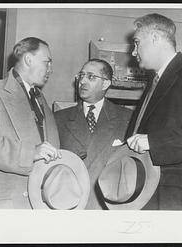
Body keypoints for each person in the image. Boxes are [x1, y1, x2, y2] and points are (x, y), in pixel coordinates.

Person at [126, 13, 182, 210]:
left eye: (136, 43)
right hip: (149, 194)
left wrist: (151, 141)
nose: (134, 52)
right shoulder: (153, 84)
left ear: (155, 38)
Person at [0, 37, 61, 209]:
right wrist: (30, 153)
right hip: (3, 205)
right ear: (29, 59)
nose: (50, 70)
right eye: (47, 62)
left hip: (40, 203)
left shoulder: (40, 99)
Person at [54, 59, 132, 209]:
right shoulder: (59, 118)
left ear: (105, 84)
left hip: (108, 205)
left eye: (90, 77)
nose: (82, 81)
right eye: (81, 75)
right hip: (70, 204)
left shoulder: (127, 118)